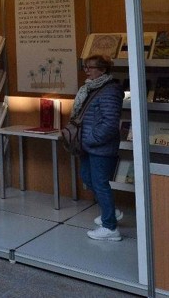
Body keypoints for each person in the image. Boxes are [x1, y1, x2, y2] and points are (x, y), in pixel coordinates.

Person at [75, 54, 124, 241]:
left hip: (100, 147)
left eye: (91, 67)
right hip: (89, 145)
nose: (87, 71)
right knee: (88, 178)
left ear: (103, 70)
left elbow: (110, 124)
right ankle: (111, 211)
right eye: (85, 67)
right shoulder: (91, 88)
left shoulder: (110, 91)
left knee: (100, 183)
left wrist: (90, 139)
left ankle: (110, 228)